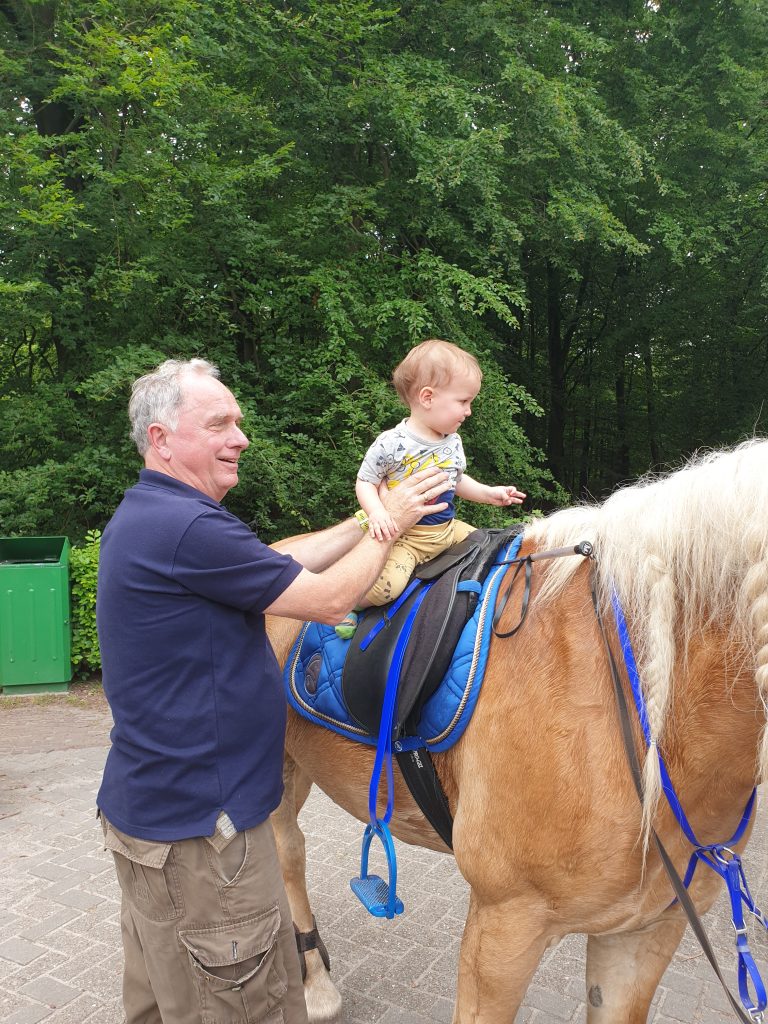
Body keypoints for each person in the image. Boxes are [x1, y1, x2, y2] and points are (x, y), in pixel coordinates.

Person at [95, 357, 448, 1024]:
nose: (241, 437)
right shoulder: (188, 528)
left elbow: (279, 563)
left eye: (238, 421)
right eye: (219, 424)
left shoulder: (157, 515)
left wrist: (365, 518)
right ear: (162, 438)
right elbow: (330, 599)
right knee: (244, 1005)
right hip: (206, 839)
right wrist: (394, 523)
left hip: (152, 821)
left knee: (163, 1000)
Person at [336, 339, 526, 638]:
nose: (469, 411)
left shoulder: (452, 441)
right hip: (407, 540)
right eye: (463, 401)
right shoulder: (392, 443)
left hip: (447, 530)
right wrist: (377, 513)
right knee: (387, 589)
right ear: (427, 397)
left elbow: (456, 480)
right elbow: (366, 482)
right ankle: (349, 602)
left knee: (494, 546)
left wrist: (489, 493)